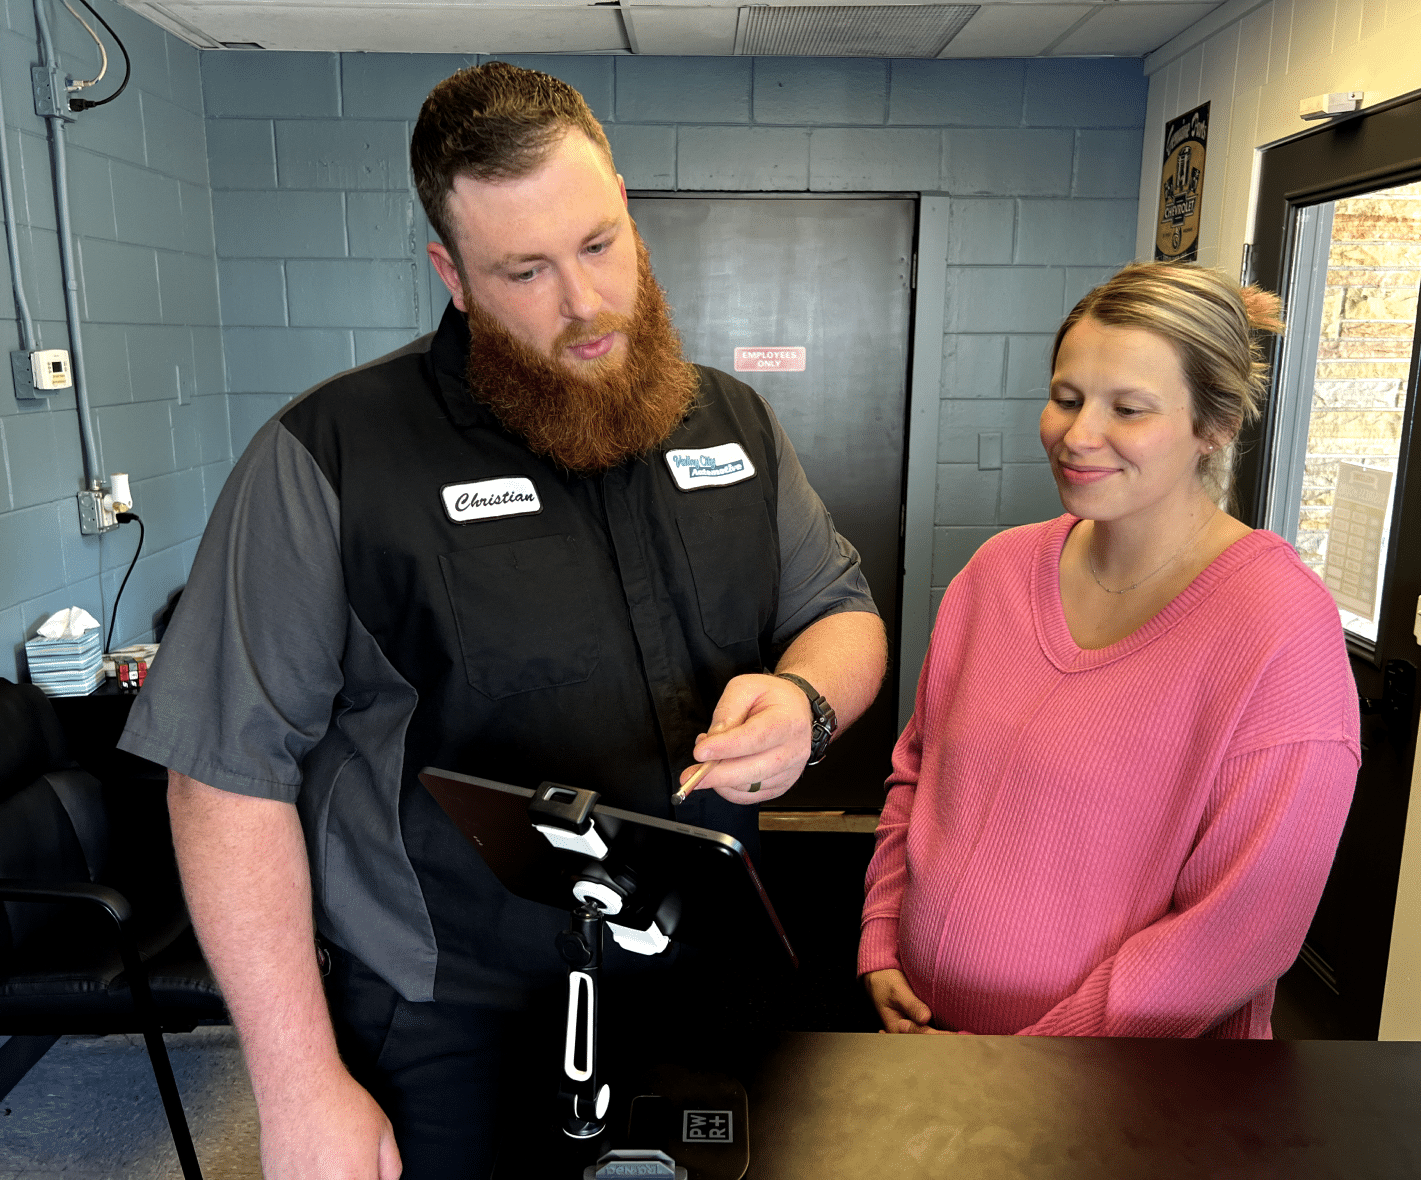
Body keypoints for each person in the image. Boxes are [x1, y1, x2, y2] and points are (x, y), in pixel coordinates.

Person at [119, 62, 886, 1179]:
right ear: (453, 274)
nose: (583, 306)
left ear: (624, 203)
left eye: (598, 244)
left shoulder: (736, 423)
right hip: (450, 1016)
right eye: (524, 271)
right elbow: (225, 779)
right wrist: (295, 1084)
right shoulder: (330, 457)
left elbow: (843, 613)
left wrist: (809, 703)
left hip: (709, 985)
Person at [859, 261, 1359, 1040]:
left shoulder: (1278, 628)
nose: (1078, 435)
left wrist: (1036, 1064)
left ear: (1214, 426)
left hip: (1121, 1088)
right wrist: (883, 935)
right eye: (1065, 398)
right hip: (930, 1048)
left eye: (1128, 409)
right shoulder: (996, 574)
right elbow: (918, 773)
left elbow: (1239, 930)